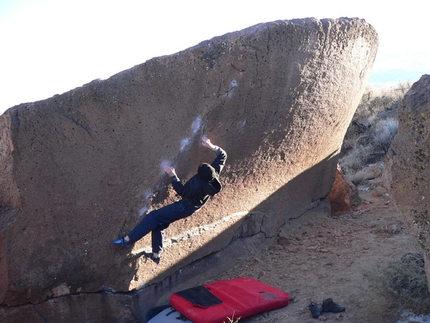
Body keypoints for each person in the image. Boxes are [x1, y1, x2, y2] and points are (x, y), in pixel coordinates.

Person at [111, 136, 227, 264]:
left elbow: (182, 192)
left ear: (200, 176)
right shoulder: (213, 173)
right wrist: (210, 146)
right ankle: (156, 254)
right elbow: (222, 156)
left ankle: (127, 240)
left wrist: (173, 176)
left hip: (184, 207)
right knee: (160, 223)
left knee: (153, 217)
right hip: (193, 206)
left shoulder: (196, 186)